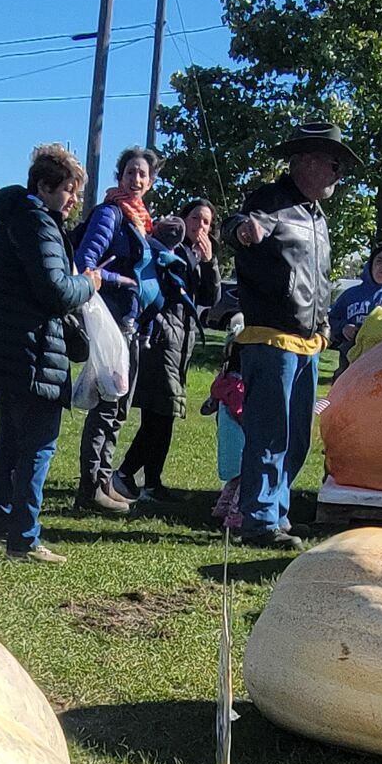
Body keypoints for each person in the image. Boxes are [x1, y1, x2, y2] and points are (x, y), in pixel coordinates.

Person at [0, 142, 100, 563]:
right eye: (69, 190)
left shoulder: (11, 219)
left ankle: (0, 525)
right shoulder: (38, 224)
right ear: (45, 186)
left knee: (10, 441)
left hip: (6, 350)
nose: (73, 201)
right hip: (31, 353)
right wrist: (89, 282)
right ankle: (24, 539)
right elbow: (55, 290)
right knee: (38, 446)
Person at [223, 120, 357, 551]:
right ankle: (260, 521)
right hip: (271, 339)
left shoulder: (316, 216)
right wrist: (241, 230)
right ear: (304, 160)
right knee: (270, 432)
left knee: (297, 435)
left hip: (309, 342)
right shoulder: (270, 200)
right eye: (333, 164)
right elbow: (238, 224)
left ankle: (276, 512)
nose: (338, 173)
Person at [71, 146, 166, 513]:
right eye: (130, 172)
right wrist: (119, 279)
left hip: (132, 326)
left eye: (143, 174)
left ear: (151, 181)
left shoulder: (142, 220)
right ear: (120, 175)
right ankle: (91, 486)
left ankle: (104, 481)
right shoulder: (110, 214)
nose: (136, 179)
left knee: (119, 408)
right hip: (109, 325)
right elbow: (84, 265)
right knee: (108, 407)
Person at [114, 201, 220, 504]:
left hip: (179, 342)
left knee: (163, 414)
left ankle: (151, 482)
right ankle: (124, 474)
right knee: (161, 411)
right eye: (195, 218)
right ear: (183, 220)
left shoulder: (199, 256)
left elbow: (211, 298)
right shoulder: (168, 249)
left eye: (207, 223)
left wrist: (210, 262)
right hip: (162, 338)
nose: (200, 227)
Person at [328, 242, 382, 369]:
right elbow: (329, 320)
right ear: (371, 264)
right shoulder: (350, 295)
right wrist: (343, 328)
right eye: (379, 261)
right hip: (350, 366)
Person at [202, 334, 247, 531]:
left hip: (228, 438)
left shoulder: (224, 380)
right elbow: (240, 412)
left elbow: (211, 403)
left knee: (234, 478)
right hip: (241, 439)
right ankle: (235, 517)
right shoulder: (238, 386)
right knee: (246, 479)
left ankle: (221, 508)